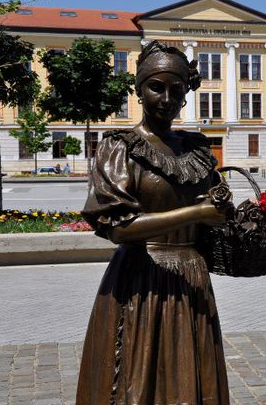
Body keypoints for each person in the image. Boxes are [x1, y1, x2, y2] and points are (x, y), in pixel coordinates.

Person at [77, 41, 231, 404]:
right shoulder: (121, 147)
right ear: (139, 89)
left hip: (191, 276)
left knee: (193, 375)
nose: (166, 98)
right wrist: (197, 212)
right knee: (138, 377)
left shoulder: (195, 148)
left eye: (176, 90)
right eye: (156, 87)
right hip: (141, 279)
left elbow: (216, 214)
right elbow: (118, 228)